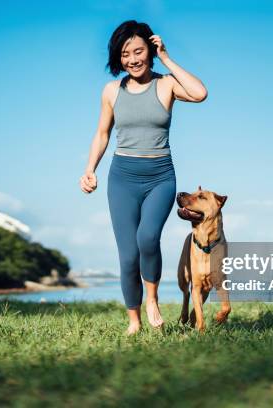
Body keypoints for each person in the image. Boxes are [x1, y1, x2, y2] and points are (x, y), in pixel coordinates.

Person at [79, 20, 208, 335]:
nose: (132, 59)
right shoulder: (112, 91)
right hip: (122, 177)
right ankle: (134, 321)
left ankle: (152, 300)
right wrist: (89, 169)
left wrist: (167, 58)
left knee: (147, 238)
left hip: (160, 177)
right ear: (118, 57)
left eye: (138, 51)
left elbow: (200, 93)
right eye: (125, 54)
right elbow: (102, 133)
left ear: (150, 50)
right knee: (127, 255)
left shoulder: (166, 85)